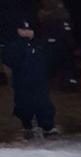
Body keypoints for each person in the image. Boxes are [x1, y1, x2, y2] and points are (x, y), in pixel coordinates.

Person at [0, 0, 57, 137]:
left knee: (42, 99)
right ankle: (27, 123)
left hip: (37, 68)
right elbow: (9, 56)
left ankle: (47, 125)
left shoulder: (33, 12)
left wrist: (34, 35)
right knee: (23, 99)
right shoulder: (8, 14)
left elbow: (47, 42)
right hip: (21, 69)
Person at [37, 0, 78, 89]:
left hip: (50, 44)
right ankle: (68, 82)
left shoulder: (44, 16)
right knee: (66, 62)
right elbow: (66, 32)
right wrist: (72, 44)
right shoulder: (60, 16)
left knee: (52, 63)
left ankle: (59, 81)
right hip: (60, 44)